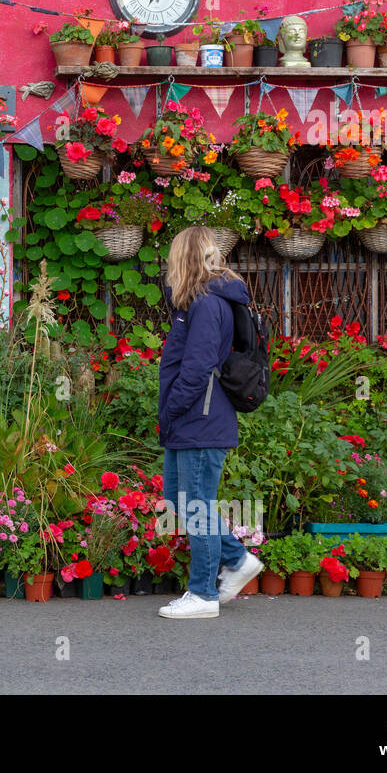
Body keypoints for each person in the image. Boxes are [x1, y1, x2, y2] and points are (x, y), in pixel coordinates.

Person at [156, 225, 263, 619]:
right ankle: (236, 559)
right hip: (191, 420)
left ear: (183, 258)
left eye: (172, 257)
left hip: (198, 418)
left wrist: (169, 411)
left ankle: (203, 595)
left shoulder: (207, 304)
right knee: (178, 500)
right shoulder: (196, 302)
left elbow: (198, 370)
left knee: (197, 504)